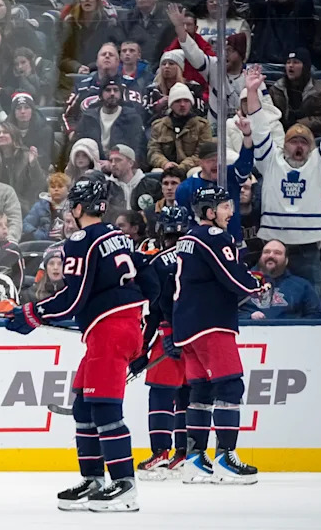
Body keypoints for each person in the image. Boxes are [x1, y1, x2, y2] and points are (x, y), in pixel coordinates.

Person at [5, 179, 147, 512]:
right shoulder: (118, 235)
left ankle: (124, 485)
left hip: (109, 331)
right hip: (117, 328)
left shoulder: (81, 241)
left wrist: (33, 312)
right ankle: (94, 479)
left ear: (80, 208)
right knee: (84, 406)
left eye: (72, 207)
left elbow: (74, 299)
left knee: (105, 408)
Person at [169, 186, 263, 485]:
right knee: (230, 387)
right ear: (209, 212)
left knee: (202, 391)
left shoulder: (186, 239)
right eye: (224, 207)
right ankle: (225, 458)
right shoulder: (212, 236)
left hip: (187, 326)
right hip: (211, 324)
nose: (230, 212)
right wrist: (257, 284)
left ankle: (196, 459)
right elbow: (235, 277)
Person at [246, 65, 321, 289]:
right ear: (284, 145)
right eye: (293, 142)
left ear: (311, 147)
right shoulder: (270, 161)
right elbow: (259, 129)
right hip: (273, 246)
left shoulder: (320, 164)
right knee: (267, 302)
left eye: (304, 142)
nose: (298, 146)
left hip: (307, 249)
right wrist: (252, 92)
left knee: (310, 304)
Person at [133, 204, 192, 480]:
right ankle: (184, 453)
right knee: (187, 395)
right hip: (197, 338)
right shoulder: (201, 254)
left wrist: (142, 349)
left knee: (160, 394)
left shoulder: (157, 262)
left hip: (168, 337)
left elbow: (153, 311)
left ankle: (160, 453)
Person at [175, 138, 254, 243]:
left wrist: (247, 137)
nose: (216, 164)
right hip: (203, 246)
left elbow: (245, 164)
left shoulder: (231, 176)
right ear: (200, 162)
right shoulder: (186, 188)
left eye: (218, 159)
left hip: (233, 242)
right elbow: (185, 222)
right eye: (211, 160)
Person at [240, 240, 321, 319]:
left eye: (277, 253)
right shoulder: (241, 282)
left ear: (286, 260)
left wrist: (293, 325)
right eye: (266, 252)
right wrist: (248, 317)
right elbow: (228, 311)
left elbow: (316, 315)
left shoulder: (302, 286)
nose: (271, 255)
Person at [147, 83, 213, 172]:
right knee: (157, 172)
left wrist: (182, 167)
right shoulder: (158, 126)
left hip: (192, 168)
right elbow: (153, 151)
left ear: (191, 103)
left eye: (186, 101)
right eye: (178, 101)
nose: (182, 104)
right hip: (166, 168)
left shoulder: (202, 125)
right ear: (171, 104)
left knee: (196, 171)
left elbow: (202, 153)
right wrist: (165, 164)